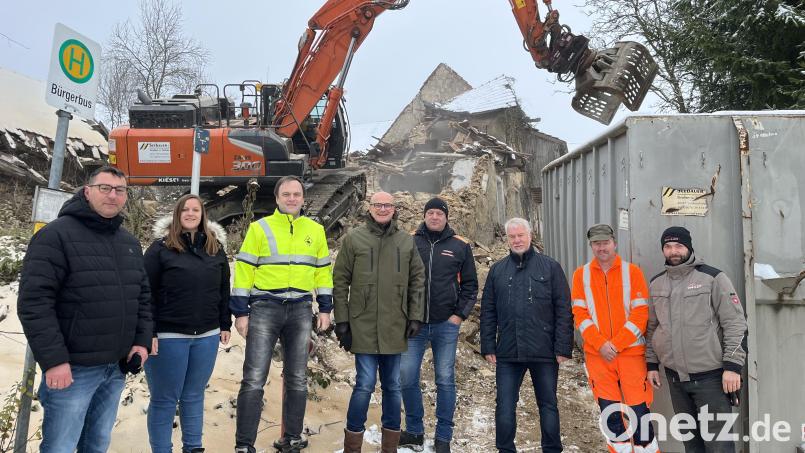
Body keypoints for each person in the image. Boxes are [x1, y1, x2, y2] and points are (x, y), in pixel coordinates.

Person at [18, 166, 152, 453]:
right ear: (87, 191)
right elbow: (34, 303)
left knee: (97, 443)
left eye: (120, 190)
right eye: (105, 188)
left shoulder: (128, 242)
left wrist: (141, 341)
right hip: (73, 370)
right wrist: (54, 360)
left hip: (115, 367)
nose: (112, 195)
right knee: (61, 447)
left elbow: (141, 297)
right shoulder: (56, 236)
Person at [230, 176, 334, 453]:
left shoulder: (315, 230)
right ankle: (244, 444)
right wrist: (241, 313)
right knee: (254, 376)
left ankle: (291, 439)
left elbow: (323, 271)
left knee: (297, 377)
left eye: (296, 194)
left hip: (300, 308)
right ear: (277, 198)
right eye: (286, 194)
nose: (291, 198)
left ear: (303, 198)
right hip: (265, 307)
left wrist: (325, 308)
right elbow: (244, 271)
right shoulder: (259, 228)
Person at [332, 191, 426, 453]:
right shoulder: (354, 239)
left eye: (388, 205)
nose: (383, 209)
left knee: (393, 386)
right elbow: (340, 281)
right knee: (363, 384)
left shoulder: (406, 241)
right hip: (362, 324)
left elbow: (417, 280)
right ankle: (353, 445)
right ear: (370, 208)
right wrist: (343, 321)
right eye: (378, 205)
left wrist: (415, 315)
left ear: (394, 209)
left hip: (395, 324)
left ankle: (389, 447)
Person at [143, 194, 231, 453]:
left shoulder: (215, 248)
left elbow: (223, 288)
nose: (191, 214)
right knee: (165, 400)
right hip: (169, 336)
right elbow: (145, 292)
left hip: (206, 335)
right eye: (186, 210)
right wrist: (148, 331)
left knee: (194, 396)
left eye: (196, 210)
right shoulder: (159, 249)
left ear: (203, 215)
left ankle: (193, 447)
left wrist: (224, 323)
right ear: (177, 214)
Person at [646, 226, 747, 453]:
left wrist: (732, 366)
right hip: (675, 380)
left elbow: (736, 323)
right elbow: (652, 328)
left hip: (711, 380)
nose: (673, 251)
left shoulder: (712, 278)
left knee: (719, 446)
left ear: (689, 247)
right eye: (668, 246)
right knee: (691, 445)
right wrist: (651, 364)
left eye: (678, 246)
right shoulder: (656, 284)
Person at [480, 217, 573, 453]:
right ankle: (505, 449)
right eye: (512, 237)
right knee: (504, 406)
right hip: (508, 352)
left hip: (544, 351)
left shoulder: (550, 267)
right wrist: (488, 345)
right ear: (507, 239)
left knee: (548, 405)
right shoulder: (498, 270)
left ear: (530, 236)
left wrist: (563, 347)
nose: (517, 240)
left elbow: (563, 308)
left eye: (520, 235)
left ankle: (552, 449)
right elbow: (488, 311)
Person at [570, 223, 660, 453]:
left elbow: (641, 314)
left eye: (605, 242)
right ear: (591, 246)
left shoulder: (633, 272)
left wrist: (616, 344)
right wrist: (600, 344)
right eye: (596, 243)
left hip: (630, 355)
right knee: (610, 413)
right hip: (598, 356)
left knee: (639, 411)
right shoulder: (581, 275)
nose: (602, 248)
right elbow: (580, 314)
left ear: (614, 243)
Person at [398, 197, 478, 453]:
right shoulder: (409, 241)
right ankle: (414, 431)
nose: (434, 217)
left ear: (446, 217)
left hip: (446, 324)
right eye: (430, 212)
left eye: (439, 213)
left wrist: (459, 316)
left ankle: (443, 436)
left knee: (444, 380)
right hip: (415, 325)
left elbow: (470, 285)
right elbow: (399, 279)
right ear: (424, 215)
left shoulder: (459, 246)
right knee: (407, 377)